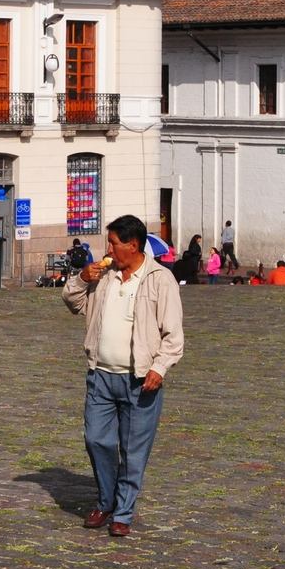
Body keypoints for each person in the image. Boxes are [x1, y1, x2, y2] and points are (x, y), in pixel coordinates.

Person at [62, 214, 184, 538]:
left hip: (139, 380)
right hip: (101, 374)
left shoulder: (160, 280)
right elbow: (71, 301)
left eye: (114, 243)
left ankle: (123, 511)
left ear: (133, 245)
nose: (109, 249)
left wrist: (159, 368)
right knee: (96, 440)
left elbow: (173, 336)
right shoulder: (104, 276)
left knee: (133, 450)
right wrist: (82, 278)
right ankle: (105, 499)